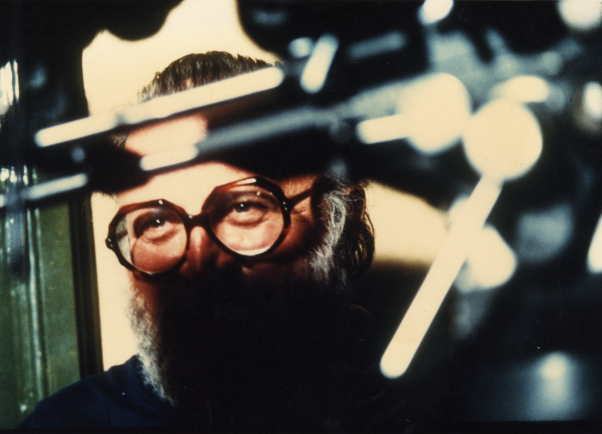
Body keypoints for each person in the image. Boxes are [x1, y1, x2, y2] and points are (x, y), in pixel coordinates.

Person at [19, 51, 376, 431]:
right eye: (155, 222)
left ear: (338, 219)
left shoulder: (412, 400)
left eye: (244, 207)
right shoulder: (63, 424)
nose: (199, 261)